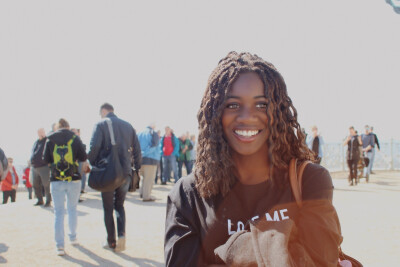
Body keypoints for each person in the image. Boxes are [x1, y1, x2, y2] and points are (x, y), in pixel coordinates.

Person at [164, 52, 343, 266]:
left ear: (278, 112)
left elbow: (321, 260)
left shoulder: (310, 180)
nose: (247, 116)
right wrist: (280, 248)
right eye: (232, 105)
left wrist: (222, 255)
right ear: (214, 114)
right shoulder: (188, 194)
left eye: (261, 105)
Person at [88, 103, 142, 252]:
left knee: (108, 208)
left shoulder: (100, 124)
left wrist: (93, 164)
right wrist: (136, 169)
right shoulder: (128, 125)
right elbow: (137, 150)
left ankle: (111, 241)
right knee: (120, 205)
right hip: (125, 173)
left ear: (103, 111)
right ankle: (122, 235)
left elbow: (93, 148)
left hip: (108, 173)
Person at [43, 118, 87, 256]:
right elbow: (83, 156)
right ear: (68, 126)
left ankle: (60, 246)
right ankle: (73, 238)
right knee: (72, 209)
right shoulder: (74, 138)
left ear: (57, 127)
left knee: (58, 212)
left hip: (56, 179)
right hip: (73, 178)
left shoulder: (50, 139)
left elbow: (45, 159)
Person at [137, 123, 160, 202]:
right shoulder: (153, 133)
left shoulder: (139, 133)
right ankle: (146, 196)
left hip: (140, 160)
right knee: (149, 179)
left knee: (143, 178)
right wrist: (144, 153)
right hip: (150, 159)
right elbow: (154, 146)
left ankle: (142, 193)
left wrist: (140, 155)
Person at [30, 128, 52, 207]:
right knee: (35, 184)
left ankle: (48, 200)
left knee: (46, 184)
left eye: (42, 132)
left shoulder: (47, 141)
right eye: (39, 132)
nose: (40, 133)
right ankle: (40, 200)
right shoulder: (36, 142)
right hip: (34, 167)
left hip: (44, 166)